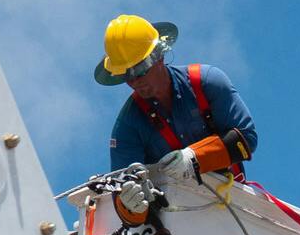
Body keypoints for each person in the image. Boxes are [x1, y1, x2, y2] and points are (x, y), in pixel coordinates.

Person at [95, 14, 257, 177]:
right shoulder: (129, 125)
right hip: (174, 202)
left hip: (231, 196)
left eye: (139, 69)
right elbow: (121, 185)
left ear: (159, 56)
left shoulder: (206, 82)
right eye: (126, 75)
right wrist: (128, 198)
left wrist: (194, 158)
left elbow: (247, 138)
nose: (134, 82)